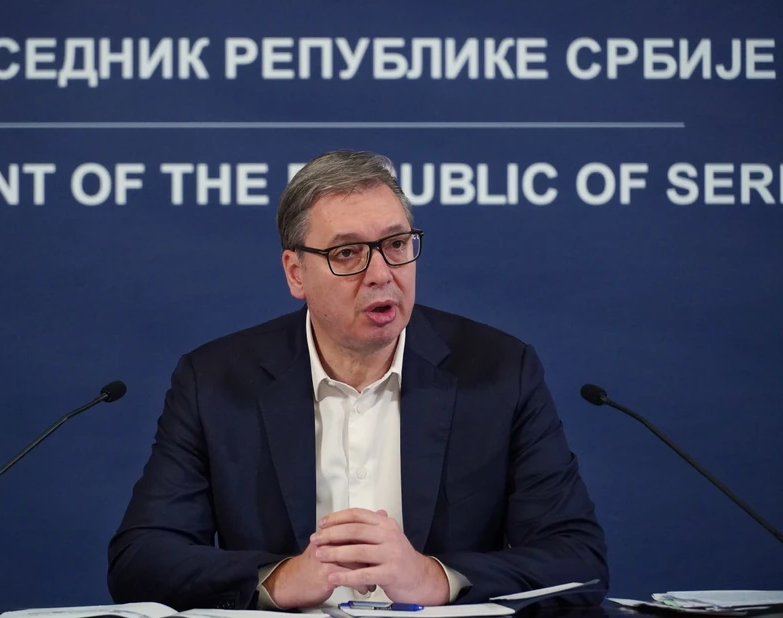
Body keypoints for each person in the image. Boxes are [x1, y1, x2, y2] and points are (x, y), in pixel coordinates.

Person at [107, 150, 609, 611]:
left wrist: (436, 578)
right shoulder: (216, 382)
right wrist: (278, 579)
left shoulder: (499, 371)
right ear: (296, 273)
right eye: (347, 253)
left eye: (396, 244)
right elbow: (140, 560)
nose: (381, 273)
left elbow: (578, 559)